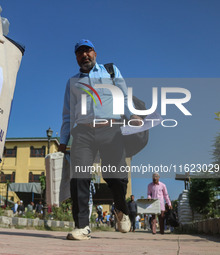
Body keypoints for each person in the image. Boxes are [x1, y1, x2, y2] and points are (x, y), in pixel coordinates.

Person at [59, 39, 142, 240]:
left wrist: (132, 115)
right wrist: (63, 139)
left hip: (111, 129)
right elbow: (68, 114)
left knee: (117, 178)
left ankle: (120, 209)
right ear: (76, 58)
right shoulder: (72, 82)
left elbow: (123, 96)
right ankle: (82, 226)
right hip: (83, 132)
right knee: (79, 176)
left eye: (87, 51)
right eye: (79, 53)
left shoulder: (111, 71)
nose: (84, 55)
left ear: (95, 53)